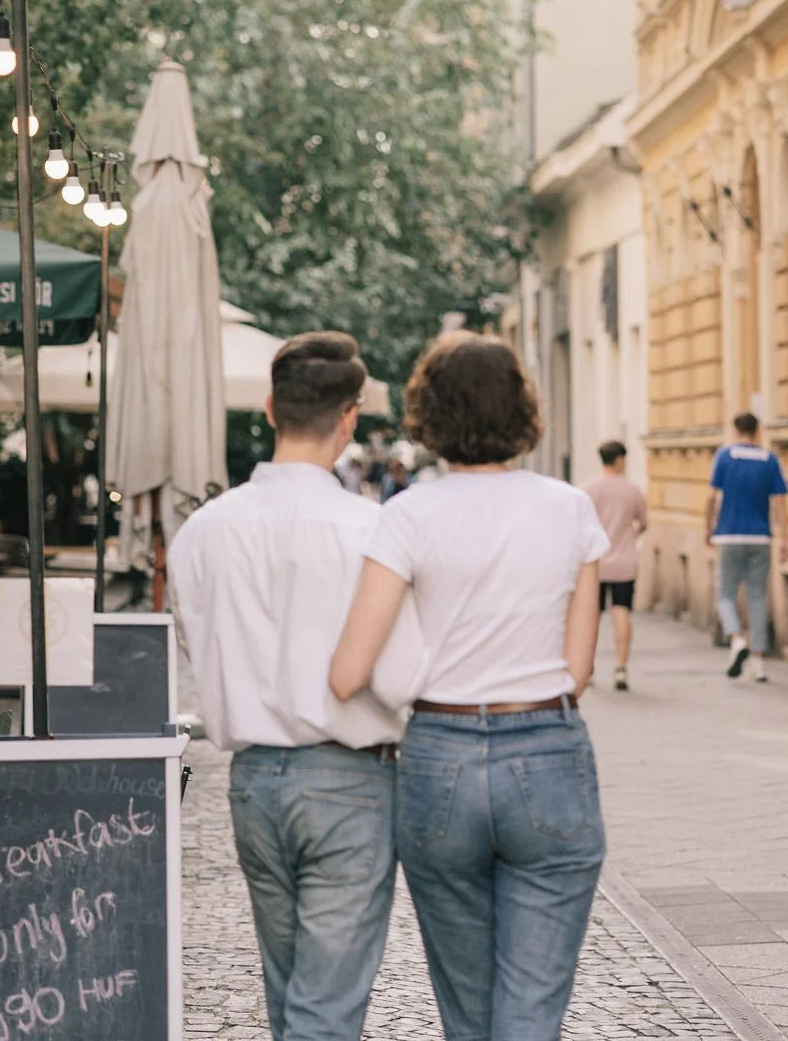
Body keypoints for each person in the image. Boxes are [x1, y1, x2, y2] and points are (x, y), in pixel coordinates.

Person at [330, 331, 608, 1041]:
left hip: (440, 756)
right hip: (546, 745)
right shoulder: (569, 507)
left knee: (467, 1004)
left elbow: (347, 674)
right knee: (531, 1005)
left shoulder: (408, 514)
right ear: (523, 409)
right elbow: (579, 670)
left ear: (431, 413)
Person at [169, 332, 424, 1041]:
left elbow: (197, 645)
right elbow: (401, 674)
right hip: (349, 778)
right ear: (351, 417)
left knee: (292, 994)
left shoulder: (203, 532)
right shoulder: (372, 529)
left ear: (269, 408)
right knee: (326, 1006)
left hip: (253, 781)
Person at [705, 412, 788, 683]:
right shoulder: (769, 459)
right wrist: (785, 537)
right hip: (760, 537)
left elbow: (710, 497)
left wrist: (707, 527)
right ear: (758, 430)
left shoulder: (725, 457)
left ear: (734, 430)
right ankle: (758, 661)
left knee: (726, 594)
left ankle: (737, 638)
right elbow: (780, 502)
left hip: (729, 535)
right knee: (757, 597)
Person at [584, 440, 648, 692]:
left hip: (594, 563)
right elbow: (642, 523)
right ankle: (621, 668)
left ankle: (587, 667)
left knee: (591, 615)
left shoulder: (587, 490)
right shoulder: (632, 491)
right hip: (623, 562)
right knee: (621, 611)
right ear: (620, 460)